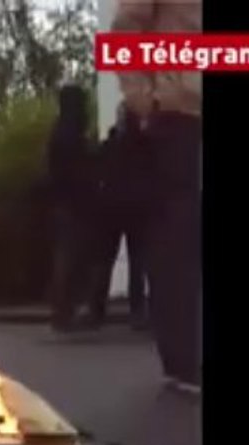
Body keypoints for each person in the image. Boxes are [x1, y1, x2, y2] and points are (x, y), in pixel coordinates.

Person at [112, 0, 202, 394]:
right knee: (176, 241)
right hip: (178, 116)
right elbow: (124, 29)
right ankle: (183, 362)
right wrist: (144, 100)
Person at [89, 105, 151, 329]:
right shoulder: (144, 145)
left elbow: (96, 171)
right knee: (138, 261)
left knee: (105, 260)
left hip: (110, 211)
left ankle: (96, 310)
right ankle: (137, 311)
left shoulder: (109, 145)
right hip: (136, 210)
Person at [46, 84, 96, 332]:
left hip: (64, 202)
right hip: (75, 203)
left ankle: (63, 310)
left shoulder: (60, 131)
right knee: (70, 257)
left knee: (67, 256)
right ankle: (65, 310)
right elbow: (77, 170)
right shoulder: (73, 134)